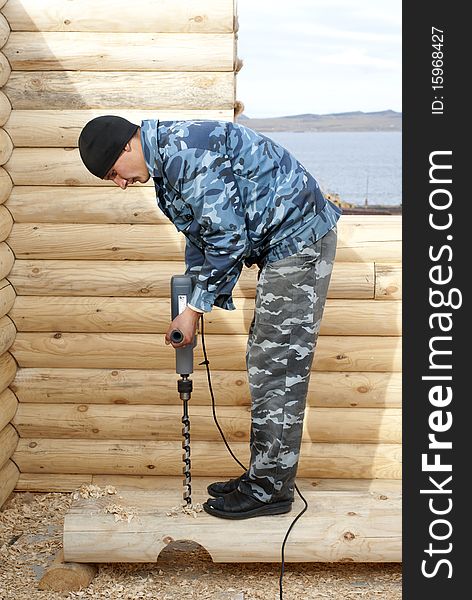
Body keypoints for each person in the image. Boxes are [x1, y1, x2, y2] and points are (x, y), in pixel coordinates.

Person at [78, 115, 342, 520]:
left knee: (277, 365)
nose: (121, 183)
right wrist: (190, 309)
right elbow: (200, 237)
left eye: (115, 172)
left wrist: (194, 310)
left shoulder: (184, 154)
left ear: (127, 147)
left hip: (299, 239)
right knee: (266, 360)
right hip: (284, 244)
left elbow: (228, 238)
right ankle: (264, 475)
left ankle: (270, 490)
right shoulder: (165, 162)